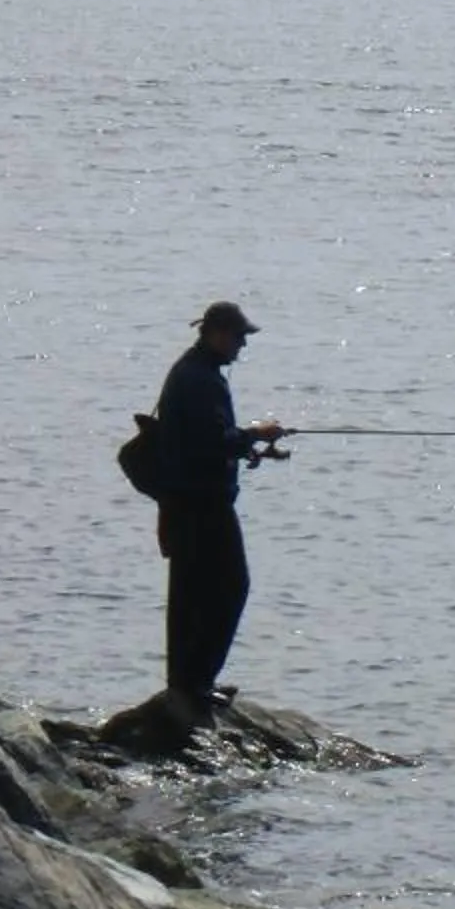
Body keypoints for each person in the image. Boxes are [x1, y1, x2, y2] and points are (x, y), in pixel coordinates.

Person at [154, 299, 282, 712]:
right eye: (240, 337)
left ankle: (186, 683)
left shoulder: (195, 371)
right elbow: (213, 442)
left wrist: (249, 446)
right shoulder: (200, 380)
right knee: (230, 588)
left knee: (191, 593)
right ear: (218, 334)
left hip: (184, 501)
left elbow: (205, 441)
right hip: (202, 506)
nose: (243, 346)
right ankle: (196, 682)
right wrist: (253, 434)